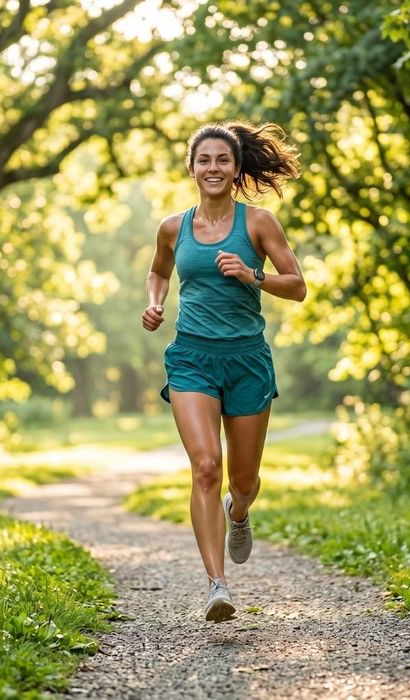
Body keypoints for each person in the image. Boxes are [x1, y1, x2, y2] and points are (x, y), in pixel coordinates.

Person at [141, 120, 306, 622]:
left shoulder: (258, 223)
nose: (213, 168)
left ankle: (241, 512)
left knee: (244, 478)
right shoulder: (173, 227)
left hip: (247, 361)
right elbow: (158, 271)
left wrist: (253, 274)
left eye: (223, 160)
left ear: (236, 169)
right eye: (204, 160)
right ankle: (217, 585)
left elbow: (297, 285)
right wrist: (154, 303)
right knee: (206, 467)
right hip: (191, 356)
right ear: (191, 167)